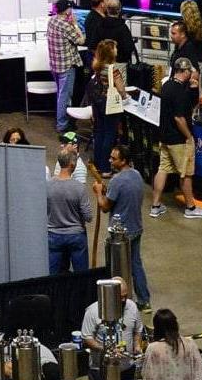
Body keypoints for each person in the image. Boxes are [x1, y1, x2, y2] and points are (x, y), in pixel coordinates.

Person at [93, 145, 151, 311]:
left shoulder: (117, 180)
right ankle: (144, 299)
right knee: (135, 264)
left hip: (120, 234)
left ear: (123, 160)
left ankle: (116, 299)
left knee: (115, 267)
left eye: (114, 158)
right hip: (136, 227)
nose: (110, 160)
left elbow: (104, 206)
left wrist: (98, 193)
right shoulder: (137, 175)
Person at [153, 58, 202, 221]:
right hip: (178, 139)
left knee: (163, 168)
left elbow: (186, 106)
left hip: (164, 137)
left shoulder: (167, 86)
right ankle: (190, 207)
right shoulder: (178, 91)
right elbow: (180, 118)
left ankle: (156, 205)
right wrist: (189, 136)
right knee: (185, 173)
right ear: (185, 72)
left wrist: (192, 89)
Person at [48, 145, 93, 273]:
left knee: (54, 276)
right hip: (76, 235)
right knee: (81, 276)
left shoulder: (47, 186)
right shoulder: (79, 188)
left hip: (53, 235)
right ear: (72, 165)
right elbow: (88, 217)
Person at [85, 39, 125, 174]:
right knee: (109, 134)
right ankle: (106, 168)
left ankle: (97, 164)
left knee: (99, 132)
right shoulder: (113, 69)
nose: (117, 50)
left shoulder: (98, 67)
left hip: (98, 104)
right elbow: (120, 88)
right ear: (110, 52)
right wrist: (125, 96)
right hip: (110, 105)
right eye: (115, 48)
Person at [46, 0, 85, 134]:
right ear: (67, 10)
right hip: (66, 66)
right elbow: (81, 40)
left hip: (55, 64)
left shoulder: (52, 21)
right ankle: (62, 124)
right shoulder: (66, 25)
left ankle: (64, 120)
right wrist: (75, 24)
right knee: (64, 95)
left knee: (61, 94)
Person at [79, 275, 143, 352]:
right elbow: (87, 338)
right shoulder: (93, 311)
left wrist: (137, 345)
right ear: (111, 294)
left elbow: (138, 331)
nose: (123, 300)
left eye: (125, 296)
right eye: (120, 297)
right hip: (102, 362)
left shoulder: (132, 307)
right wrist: (106, 350)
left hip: (127, 362)